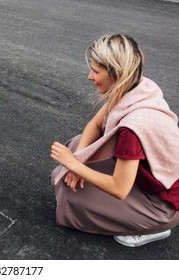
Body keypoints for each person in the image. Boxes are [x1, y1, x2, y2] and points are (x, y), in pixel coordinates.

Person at [50, 33, 179, 247]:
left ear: (116, 73)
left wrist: (73, 163)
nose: (90, 76)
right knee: (78, 144)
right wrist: (79, 160)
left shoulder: (133, 129)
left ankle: (154, 228)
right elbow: (95, 125)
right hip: (150, 179)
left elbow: (119, 188)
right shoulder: (137, 85)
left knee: (72, 199)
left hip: (164, 206)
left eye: (96, 71)